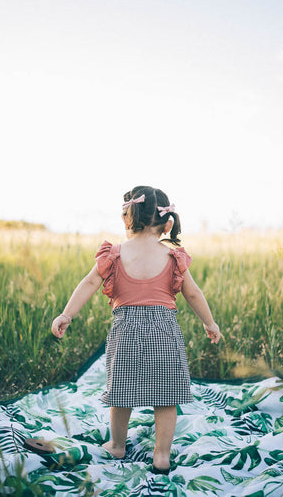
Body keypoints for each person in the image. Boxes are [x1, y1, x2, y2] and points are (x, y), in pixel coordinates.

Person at [51, 185, 222, 474]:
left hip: (126, 331)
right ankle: (162, 455)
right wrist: (210, 322)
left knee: (121, 394)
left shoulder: (115, 254)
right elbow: (193, 293)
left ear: (127, 217)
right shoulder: (173, 255)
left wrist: (67, 314)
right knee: (166, 398)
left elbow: (89, 283)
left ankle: (117, 445)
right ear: (167, 222)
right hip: (164, 332)